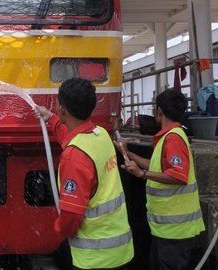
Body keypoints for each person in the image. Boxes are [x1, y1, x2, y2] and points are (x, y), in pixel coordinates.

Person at [34, 78, 133, 269]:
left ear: (62, 109)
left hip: (95, 260)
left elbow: (71, 219)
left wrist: (58, 228)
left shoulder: (74, 156)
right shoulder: (101, 135)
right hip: (121, 251)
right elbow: (72, 137)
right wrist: (51, 118)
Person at [117, 89, 205, 270]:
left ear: (159, 111)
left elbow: (177, 175)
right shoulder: (168, 137)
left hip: (176, 230)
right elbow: (154, 165)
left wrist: (141, 175)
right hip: (166, 229)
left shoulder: (173, 139)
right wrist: (128, 153)